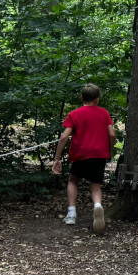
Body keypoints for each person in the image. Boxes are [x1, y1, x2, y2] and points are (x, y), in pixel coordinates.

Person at [52, 84, 117, 233]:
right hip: (100, 154)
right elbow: (112, 135)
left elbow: (64, 136)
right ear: (97, 100)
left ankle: (71, 213)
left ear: (81, 97)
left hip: (80, 154)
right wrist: (109, 151)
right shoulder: (104, 113)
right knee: (95, 184)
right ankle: (98, 206)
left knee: (73, 180)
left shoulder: (75, 114)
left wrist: (57, 158)